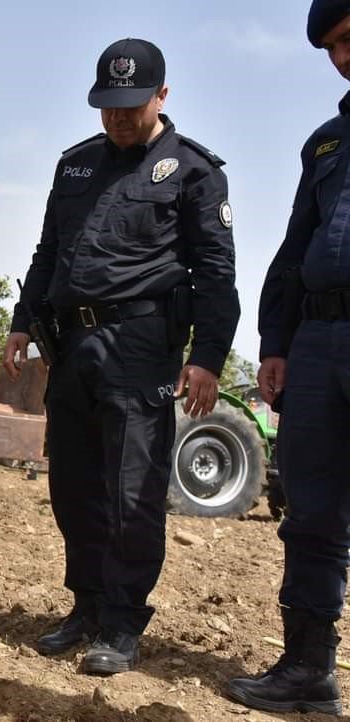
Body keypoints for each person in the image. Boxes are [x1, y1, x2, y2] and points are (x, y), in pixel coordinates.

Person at [3, 38, 239, 675]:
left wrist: (209, 357)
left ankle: (122, 621)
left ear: (162, 95)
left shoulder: (195, 171)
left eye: (131, 106)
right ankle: (84, 607)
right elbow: (47, 250)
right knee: (73, 485)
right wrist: (23, 325)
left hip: (140, 348)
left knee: (132, 488)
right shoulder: (75, 165)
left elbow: (217, 274)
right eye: (108, 106)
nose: (118, 117)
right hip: (72, 345)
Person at [226, 2, 350, 715]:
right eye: (332, 47)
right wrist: (276, 344)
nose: (342, 57)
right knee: (312, 512)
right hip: (319, 344)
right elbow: (294, 250)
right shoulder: (327, 144)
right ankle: (308, 670)